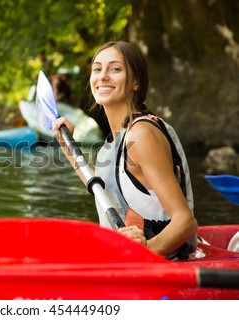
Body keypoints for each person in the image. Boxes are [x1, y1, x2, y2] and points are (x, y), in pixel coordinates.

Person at [53, 41, 198, 260]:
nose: (103, 76)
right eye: (97, 69)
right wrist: (67, 146)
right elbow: (104, 191)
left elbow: (185, 223)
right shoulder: (115, 141)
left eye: (115, 69)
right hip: (126, 260)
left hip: (162, 266)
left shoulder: (140, 135)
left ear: (136, 82)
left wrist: (143, 252)